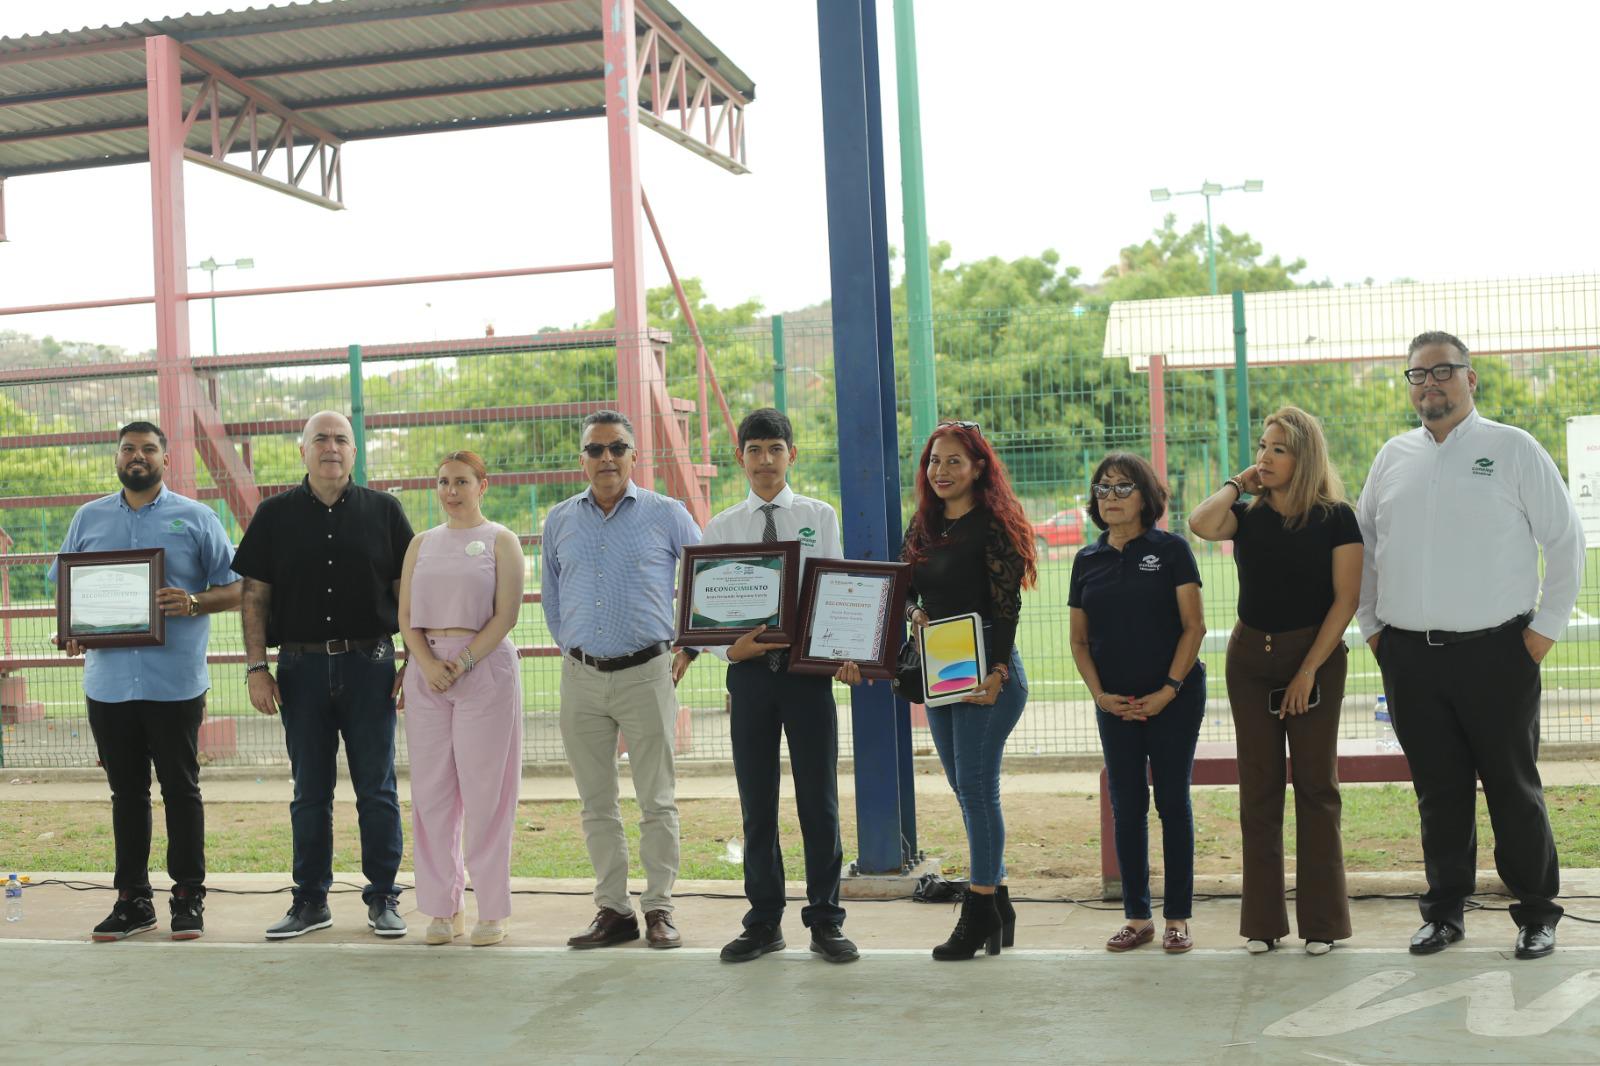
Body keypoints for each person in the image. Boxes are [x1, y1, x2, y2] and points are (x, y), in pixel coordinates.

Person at [1357, 331, 1585, 961]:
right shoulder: (1392, 457)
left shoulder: (1512, 449)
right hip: (1409, 656)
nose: (1430, 384)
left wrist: (1540, 635)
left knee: (1513, 788)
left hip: (1498, 654)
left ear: (1470, 377)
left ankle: (1537, 912)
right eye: (1418, 375)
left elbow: (1565, 543)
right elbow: (1366, 550)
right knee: (1439, 791)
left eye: (1443, 371)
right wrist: (1373, 629)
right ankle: (1445, 911)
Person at [49, 421, 240, 942]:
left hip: (174, 682)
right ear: (117, 458)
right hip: (108, 684)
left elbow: (238, 587)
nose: (138, 456)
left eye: (148, 449)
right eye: (129, 449)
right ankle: (133, 899)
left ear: (166, 459)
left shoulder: (197, 518)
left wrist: (194, 601)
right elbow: (68, 595)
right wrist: (72, 632)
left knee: (181, 790)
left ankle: (187, 896)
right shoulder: (88, 518)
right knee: (126, 793)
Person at [681, 408, 859, 964]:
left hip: (808, 678)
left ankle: (826, 920)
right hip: (750, 679)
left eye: (774, 449)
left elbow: (838, 591)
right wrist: (727, 650)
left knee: (819, 804)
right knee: (756, 805)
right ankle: (763, 921)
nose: (764, 460)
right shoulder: (722, 527)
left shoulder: (818, 516)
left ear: (791, 455)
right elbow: (703, 615)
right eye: (754, 450)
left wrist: (845, 651)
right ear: (740, 457)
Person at [232, 410, 415, 940]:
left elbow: (408, 590)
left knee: (376, 789)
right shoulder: (273, 514)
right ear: (302, 450)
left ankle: (383, 896)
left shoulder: (385, 511)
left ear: (354, 452)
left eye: (341, 439)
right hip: (299, 668)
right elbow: (254, 597)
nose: (331, 447)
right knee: (309, 790)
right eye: (321, 439)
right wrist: (255, 668)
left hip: (371, 666)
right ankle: (311, 899)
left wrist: (411, 660)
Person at [1189, 407, 1361, 956]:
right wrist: (1237, 481)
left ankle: (1323, 924)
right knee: (1258, 789)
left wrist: (1308, 670)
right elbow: (1199, 522)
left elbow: (1347, 600)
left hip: (1314, 657)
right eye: (1262, 446)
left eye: (1278, 449)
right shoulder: (1247, 514)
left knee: (1315, 787)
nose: (1264, 457)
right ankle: (1262, 923)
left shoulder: (1337, 517)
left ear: (1304, 456)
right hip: (1249, 658)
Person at [542, 410, 701, 949]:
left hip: (647, 673)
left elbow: (708, 578)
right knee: (596, 802)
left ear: (635, 456)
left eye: (617, 448)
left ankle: (659, 908)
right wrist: (573, 649)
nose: (606, 458)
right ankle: (613, 910)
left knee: (657, 799)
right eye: (595, 449)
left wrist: (692, 646)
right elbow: (553, 594)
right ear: (581, 458)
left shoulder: (668, 514)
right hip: (581, 677)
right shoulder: (560, 520)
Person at [899, 419, 1036, 961]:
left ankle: (979, 909)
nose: (941, 471)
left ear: (979, 466)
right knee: (964, 788)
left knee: (978, 792)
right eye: (934, 461)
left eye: (954, 460)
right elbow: (905, 586)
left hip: (988, 677)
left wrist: (998, 673)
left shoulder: (994, 525)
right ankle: (999, 902)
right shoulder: (925, 525)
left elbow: (1007, 607)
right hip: (941, 676)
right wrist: (914, 613)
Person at [1069, 452, 1206, 954]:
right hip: (1117, 705)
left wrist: (1168, 690)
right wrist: (1101, 696)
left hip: (1174, 697)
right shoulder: (1087, 560)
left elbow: (1195, 627)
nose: (1110, 497)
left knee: (1172, 802)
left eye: (1122, 487)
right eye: (1102, 488)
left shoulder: (1171, 550)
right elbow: (1079, 642)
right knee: (1127, 807)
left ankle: (1177, 918)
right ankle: (1137, 917)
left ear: (1146, 496)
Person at [397, 451, 525, 947]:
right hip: (428, 672)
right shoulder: (421, 544)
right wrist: (427, 664)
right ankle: (441, 907)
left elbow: (506, 614)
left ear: (482, 485)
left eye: (462, 482)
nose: (451, 491)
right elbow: (406, 615)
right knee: (431, 794)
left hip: (484, 667)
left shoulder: (501, 541)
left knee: (486, 793)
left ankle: (492, 910)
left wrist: (465, 662)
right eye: (443, 482)